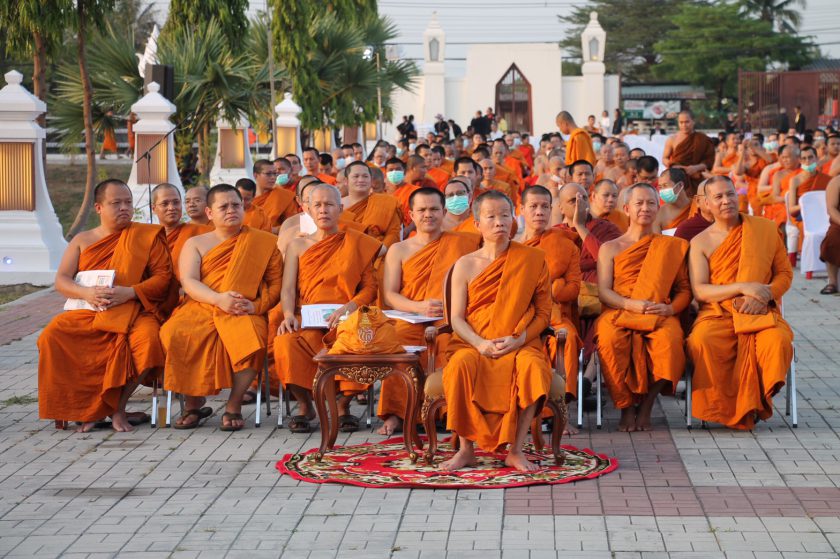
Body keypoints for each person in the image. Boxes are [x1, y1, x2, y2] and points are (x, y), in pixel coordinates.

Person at [38, 179, 172, 432]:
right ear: (99, 208)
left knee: (149, 341)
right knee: (51, 336)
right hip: (90, 310)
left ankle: (116, 407)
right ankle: (85, 408)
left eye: (128, 202)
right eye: (116, 203)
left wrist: (131, 292)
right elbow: (62, 280)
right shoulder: (82, 239)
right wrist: (85, 292)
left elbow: (163, 279)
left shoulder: (146, 235)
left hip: (134, 310)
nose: (124, 208)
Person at [440, 190, 553, 472]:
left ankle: (515, 450)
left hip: (519, 342)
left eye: (505, 215)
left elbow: (543, 314)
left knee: (534, 368)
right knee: (459, 367)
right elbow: (456, 318)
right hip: (474, 344)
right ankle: (466, 449)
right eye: (491, 216)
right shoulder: (465, 264)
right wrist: (480, 344)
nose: (499, 222)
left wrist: (519, 341)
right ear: (477, 223)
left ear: (513, 218)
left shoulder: (533, 259)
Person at [159, 184, 281, 430]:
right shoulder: (196, 243)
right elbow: (189, 281)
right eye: (223, 207)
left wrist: (256, 306)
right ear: (210, 212)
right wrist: (218, 299)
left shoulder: (264, 242)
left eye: (236, 205)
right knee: (176, 333)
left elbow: (275, 283)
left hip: (243, 308)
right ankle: (193, 403)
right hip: (201, 305)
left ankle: (233, 405)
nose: (231, 211)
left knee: (254, 339)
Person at [687, 176, 793, 430]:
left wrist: (764, 295)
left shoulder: (765, 229)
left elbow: (785, 275)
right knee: (700, 341)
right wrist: (744, 288)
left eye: (730, 194)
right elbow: (700, 290)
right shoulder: (700, 241)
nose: (726, 201)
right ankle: (723, 408)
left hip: (759, 312)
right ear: (707, 204)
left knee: (777, 341)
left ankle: (756, 402)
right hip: (718, 313)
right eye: (719, 197)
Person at [274, 184, 381, 433]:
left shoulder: (357, 242)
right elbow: (288, 289)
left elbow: (370, 289)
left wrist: (349, 307)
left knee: (360, 342)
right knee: (285, 342)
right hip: (307, 317)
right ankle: (305, 406)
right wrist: (289, 314)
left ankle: (343, 407)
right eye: (318, 205)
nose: (324, 210)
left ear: (340, 208)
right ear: (307, 209)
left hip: (348, 318)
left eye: (330, 204)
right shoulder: (297, 246)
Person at [377, 187, 481, 435]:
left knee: (449, 345)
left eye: (434, 209)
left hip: (449, 318)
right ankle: (398, 414)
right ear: (410, 214)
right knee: (399, 344)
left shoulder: (464, 243)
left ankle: (446, 412)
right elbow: (390, 295)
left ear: (444, 212)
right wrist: (418, 306)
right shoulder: (398, 249)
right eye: (422, 210)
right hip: (410, 317)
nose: (428, 215)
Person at [595, 183, 691, 431]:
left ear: (658, 208)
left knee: (671, 343)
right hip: (620, 310)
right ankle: (626, 408)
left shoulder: (671, 246)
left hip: (658, 310)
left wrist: (670, 310)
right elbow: (604, 291)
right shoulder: (610, 247)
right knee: (608, 340)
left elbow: (684, 290)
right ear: (626, 208)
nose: (645, 208)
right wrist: (630, 304)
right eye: (639, 203)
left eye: (651, 203)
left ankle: (647, 404)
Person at [517, 186, 582, 414]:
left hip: (554, 316)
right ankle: (525, 411)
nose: (539, 212)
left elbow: (574, 288)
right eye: (533, 207)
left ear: (552, 209)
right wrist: (554, 285)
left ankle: (559, 412)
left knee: (569, 338)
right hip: (517, 316)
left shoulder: (564, 244)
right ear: (522, 209)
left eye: (545, 206)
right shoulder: (510, 243)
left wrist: (551, 290)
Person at [341, 161, 401, 252]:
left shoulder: (386, 203)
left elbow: (393, 233)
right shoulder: (337, 206)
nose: (361, 180)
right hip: (345, 256)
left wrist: (378, 252)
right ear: (346, 181)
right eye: (356, 176)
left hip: (380, 255)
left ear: (370, 180)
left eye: (365, 176)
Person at [662, 110, 715, 193]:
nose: (684, 125)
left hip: (696, 177)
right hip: (677, 177)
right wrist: (673, 166)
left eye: (687, 122)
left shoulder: (702, 139)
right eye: (681, 122)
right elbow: (664, 158)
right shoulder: (672, 139)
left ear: (693, 121)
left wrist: (695, 168)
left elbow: (709, 161)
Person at [252, 159, 298, 232]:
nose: (273, 177)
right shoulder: (246, 198)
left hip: (276, 239)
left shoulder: (283, 196)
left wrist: (273, 230)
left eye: (275, 174)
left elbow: (293, 224)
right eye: (268, 174)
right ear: (255, 175)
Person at [655, 167, 693, 232]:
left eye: (665, 185)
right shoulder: (659, 214)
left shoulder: (697, 206)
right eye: (660, 187)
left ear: (680, 185)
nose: (662, 190)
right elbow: (657, 240)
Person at [820, 175, 840, 294]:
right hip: (839, 223)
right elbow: (831, 209)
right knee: (833, 239)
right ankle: (832, 282)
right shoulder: (836, 182)